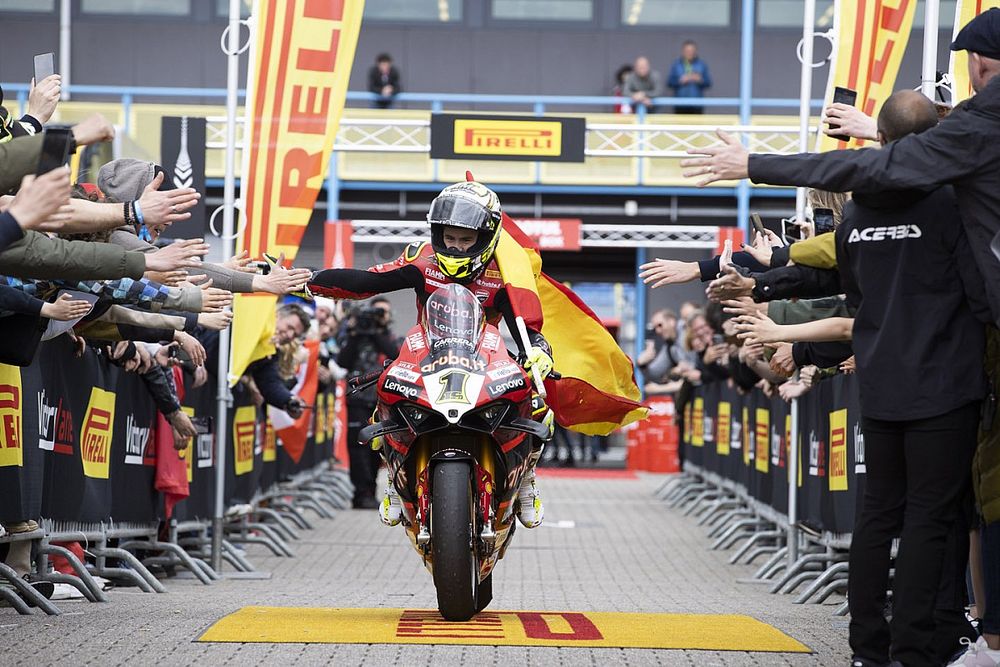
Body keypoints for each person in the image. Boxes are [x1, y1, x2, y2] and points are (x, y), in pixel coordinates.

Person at [733, 90, 989, 667]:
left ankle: (867, 647)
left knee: (878, 516)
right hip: (944, 383)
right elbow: (978, 290)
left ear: (882, 137)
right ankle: (917, 647)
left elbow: (850, 290)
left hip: (880, 382)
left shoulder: (860, 216)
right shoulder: (953, 203)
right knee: (930, 516)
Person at [307, 180, 553, 530]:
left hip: (484, 358)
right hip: (426, 354)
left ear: (485, 238)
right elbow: (366, 282)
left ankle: (526, 479)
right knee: (386, 391)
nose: (455, 247)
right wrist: (308, 280)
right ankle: (393, 481)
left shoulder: (506, 271)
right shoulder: (421, 260)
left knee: (539, 399)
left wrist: (539, 351)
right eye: (449, 238)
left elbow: (524, 325)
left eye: (466, 240)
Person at [336, 297, 399, 509]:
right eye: (375, 312)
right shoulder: (355, 337)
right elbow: (342, 361)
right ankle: (360, 494)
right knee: (357, 447)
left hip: (382, 401)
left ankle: (370, 492)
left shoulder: (391, 338)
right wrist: (357, 333)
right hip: (357, 399)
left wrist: (376, 332)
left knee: (377, 448)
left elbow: (396, 355)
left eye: (382, 313)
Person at [667, 40, 712, 114]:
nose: (689, 53)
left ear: (695, 51)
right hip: (680, 105)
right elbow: (669, 82)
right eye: (687, 50)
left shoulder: (701, 64)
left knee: (697, 125)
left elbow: (708, 83)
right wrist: (680, 80)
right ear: (683, 51)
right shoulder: (676, 64)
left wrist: (700, 79)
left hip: (697, 105)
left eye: (692, 50)